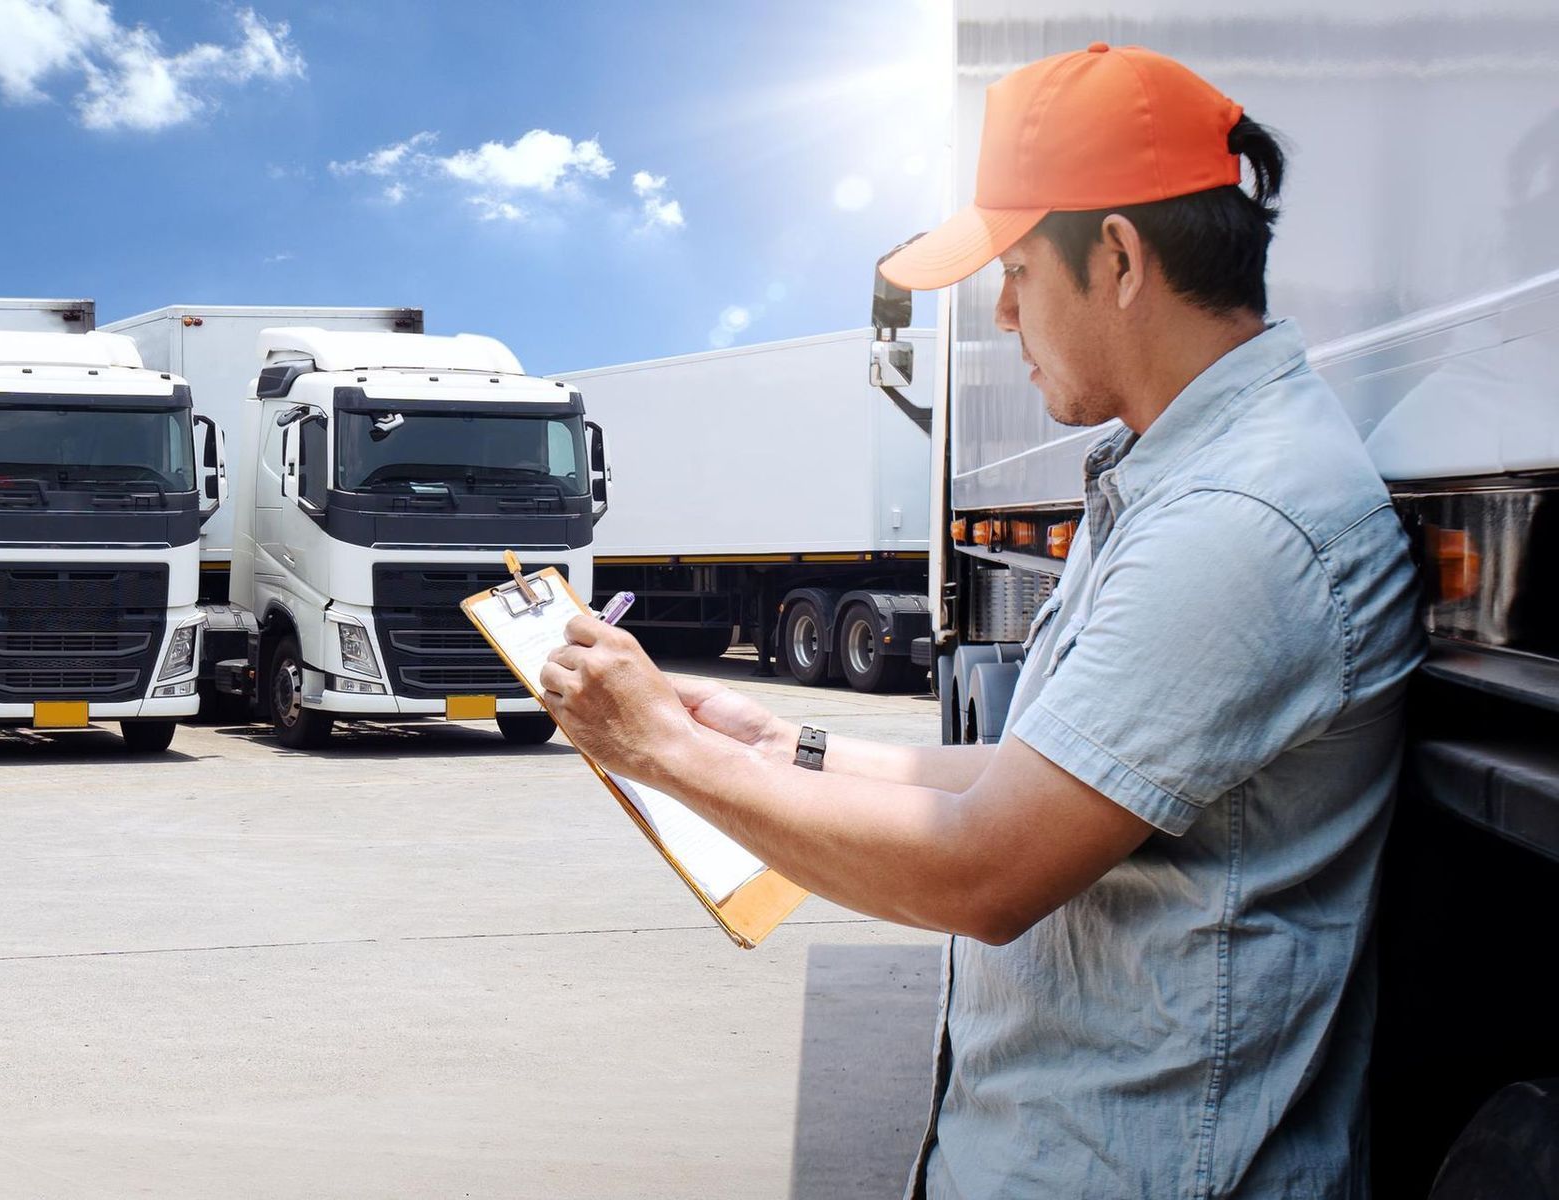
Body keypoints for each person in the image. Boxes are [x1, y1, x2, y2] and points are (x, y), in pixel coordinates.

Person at [539, 43, 1423, 1198]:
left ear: (1117, 259)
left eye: (1014, 271)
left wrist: (664, 751)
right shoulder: (1164, 476)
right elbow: (1036, 777)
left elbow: (986, 873)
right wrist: (782, 745)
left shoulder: (1239, 525)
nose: (999, 312)